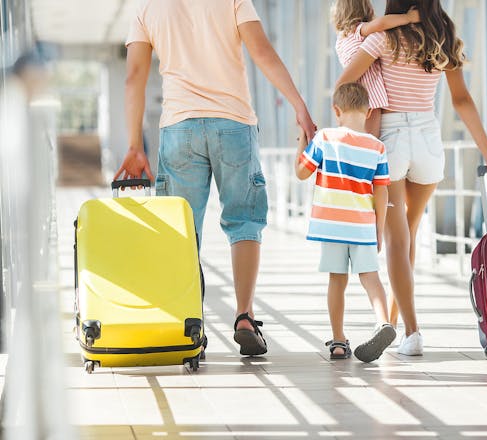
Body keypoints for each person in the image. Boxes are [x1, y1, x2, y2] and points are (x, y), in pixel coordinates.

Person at [115, 0, 316, 356]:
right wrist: (299, 105)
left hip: (179, 127)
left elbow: (134, 77)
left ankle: (189, 322)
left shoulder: (147, 8)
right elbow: (262, 51)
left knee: (181, 230)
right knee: (244, 221)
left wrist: (134, 144)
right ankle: (244, 316)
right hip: (233, 123)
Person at [337, 0, 487, 356]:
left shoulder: (384, 39)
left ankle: (411, 332)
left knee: (396, 239)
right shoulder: (442, 35)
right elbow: (461, 100)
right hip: (429, 139)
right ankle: (399, 328)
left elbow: (344, 83)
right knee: (409, 236)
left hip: (393, 139)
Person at [295, 83, 396, 363]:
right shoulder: (377, 147)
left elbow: (302, 173)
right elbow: (382, 189)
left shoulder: (326, 138)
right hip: (363, 224)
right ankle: (382, 322)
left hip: (332, 225)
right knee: (370, 277)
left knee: (337, 281)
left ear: (336, 111)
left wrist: (302, 141)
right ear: (368, 112)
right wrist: (378, 230)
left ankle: (338, 341)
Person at [333, 0, 419, 137]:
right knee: (372, 138)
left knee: (359, 135)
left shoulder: (341, 38)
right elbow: (381, 24)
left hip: (353, 92)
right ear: (365, 10)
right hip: (369, 89)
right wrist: (408, 18)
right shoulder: (358, 30)